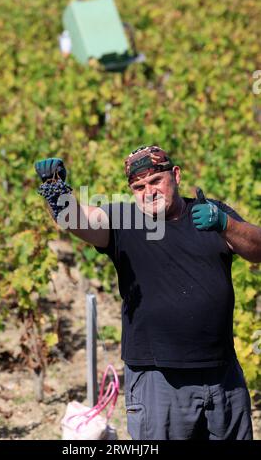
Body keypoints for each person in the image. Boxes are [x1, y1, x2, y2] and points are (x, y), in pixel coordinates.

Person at [35, 146, 261, 440]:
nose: (148, 191)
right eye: (138, 186)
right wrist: (56, 190)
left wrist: (225, 224)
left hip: (222, 375)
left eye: (155, 181)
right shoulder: (124, 220)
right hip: (159, 380)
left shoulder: (210, 213)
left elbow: (257, 249)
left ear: (176, 175)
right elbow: (81, 221)